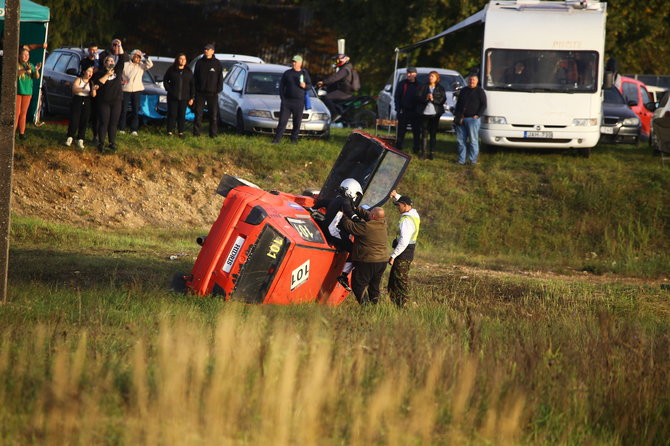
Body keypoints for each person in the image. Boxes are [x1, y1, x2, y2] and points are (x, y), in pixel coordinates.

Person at [314, 178, 363, 292]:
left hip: (328, 231)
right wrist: (358, 221)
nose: (355, 196)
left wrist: (312, 209)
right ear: (350, 190)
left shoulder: (335, 199)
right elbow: (349, 212)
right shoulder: (345, 202)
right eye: (356, 193)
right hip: (334, 233)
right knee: (355, 249)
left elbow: (321, 203)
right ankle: (344, 275)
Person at [339, 207, 388, 305]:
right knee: (374, 286)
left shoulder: (366, 227)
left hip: (368, 261)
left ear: (373, 216)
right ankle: (374, 306)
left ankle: (365, 306)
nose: (368, 214)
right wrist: (354, 208)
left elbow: (350, 226)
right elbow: (367, 215)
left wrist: (343, 214)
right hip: (382, 261)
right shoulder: (383, 224)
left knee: (358, 285)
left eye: (370, 214)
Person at [387, 190, 420, 307]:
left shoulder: (406, 221)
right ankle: (397, 305)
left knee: (400, 283)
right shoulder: (414, 214)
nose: (397, 207)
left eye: (399, 205)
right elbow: (405, 200)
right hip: (407, 254)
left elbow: (404, 241)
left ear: (405, 206)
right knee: (394, 282)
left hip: (402, 255)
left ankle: (403, 306)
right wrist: (396, 196)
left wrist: (393, 255)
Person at [272, 55, 311, 144]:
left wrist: (305, 86)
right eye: (293, 61)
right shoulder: (287, 73)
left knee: (297, 122)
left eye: (295, 62)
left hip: (299, 102)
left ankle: (294, 140)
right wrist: (283, 98)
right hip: (287, 102)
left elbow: (309, 86)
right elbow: (281, 86)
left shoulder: (304, 73)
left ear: (300, 63)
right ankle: (276, 139)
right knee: (282, 121)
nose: (293, 63)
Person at [94, 46, 126, 153]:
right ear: (104, 63)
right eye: (108, 61)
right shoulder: (100, 73)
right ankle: (101, 143)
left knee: (114, 122)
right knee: (104, 122)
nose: (110, 62)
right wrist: (107, 74)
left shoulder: (117, 70)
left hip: (116, 100)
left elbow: (122, 58)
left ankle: (112, 142)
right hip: (104, 101)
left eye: (112, 61)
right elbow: (98, 83)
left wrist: (119, 45)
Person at [453, 74, 486, 165]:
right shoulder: (463, 90)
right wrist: (456, 115)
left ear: (477, 81)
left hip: (473, 120)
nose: (472, 81)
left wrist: (478, 115)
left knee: (473, 140)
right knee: (460, 140)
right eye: (470, 80)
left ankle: (472, 160)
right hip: (461, 119)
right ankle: (461, 160)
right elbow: (459, 103)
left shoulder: (480, 91)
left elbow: (484, 105)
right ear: (468, 81)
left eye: (474, 80)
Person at [193, 43, 223, 138]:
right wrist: (196, 90)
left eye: (208, 49)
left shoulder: (217, 63)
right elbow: (195, 77)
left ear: (213, 51)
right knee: (198, 114)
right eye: (205, 49)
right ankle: (196, 134)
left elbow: (220, 78)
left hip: (212, 93)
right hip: (200, 93)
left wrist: (217, 90)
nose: (206, 51)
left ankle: (213, 135)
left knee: (213, 115)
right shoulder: (199, 62)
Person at [120, 49, 153, 135]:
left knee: (135, 110)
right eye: (136, 57)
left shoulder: (141, 65)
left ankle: (134, 129)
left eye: (139, 57)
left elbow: (150, 64)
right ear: (132, 56)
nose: (137, 59)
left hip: (137, 90)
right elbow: (119, 74)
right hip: (126, 89)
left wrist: (144, 57)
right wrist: (121, 81)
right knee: (123, 110)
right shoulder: (125, 65)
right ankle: (121, 128)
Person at [417, 70, 446, 160]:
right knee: (424, 133)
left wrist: (433, 99)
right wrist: (426, 98)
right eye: (429, 76)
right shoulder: (423, 86)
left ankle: (432, 153)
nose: (430, 78)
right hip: (424, 113)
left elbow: (442, 100)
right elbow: (417, 97)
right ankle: (423, 153)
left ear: (437, 78)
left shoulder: (440, 88)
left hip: (435, 114)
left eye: (432, 76)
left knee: (433, 133)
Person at [163, 53, 194, 137]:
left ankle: (181, 132)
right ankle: (169, 131)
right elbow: (165, 81)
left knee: (182, 115)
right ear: (177, 60)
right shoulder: (171, 70)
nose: (183, 61)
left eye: (184, 59)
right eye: (181, 59)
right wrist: (169, 90)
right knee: (172, 114)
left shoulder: (188, 71)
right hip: (172, 97)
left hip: (184, 97)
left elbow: (192, 85)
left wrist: (191, 97)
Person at [65, 66, 96, 149]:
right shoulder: (79, 80)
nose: (90, 73)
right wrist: (82, 88)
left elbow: (93, 95)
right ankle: (70, 137)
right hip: (78, 99)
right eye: (88, 71)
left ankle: (81, 138)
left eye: (91, 72)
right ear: (84, 72)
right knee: (74, 119)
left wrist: (93, 89)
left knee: (84, 120)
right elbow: (74, 89)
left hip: (87, 100)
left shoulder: (91, 82)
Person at [316, 54, 355, 119]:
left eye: (337, 61)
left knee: (325, 98)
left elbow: (335, 78)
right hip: (344, 91)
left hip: (344, 92)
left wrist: (324, 82)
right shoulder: (347, 68)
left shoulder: (345, 69)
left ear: (342, 61)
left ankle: (334, 114)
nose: (336, 62)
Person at [15, 47, 41, 140]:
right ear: (19, 55)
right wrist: (25, 69)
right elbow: (15, 74)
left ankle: (21, 133)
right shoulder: (16, 64)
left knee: (23, 113)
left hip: (28, 92)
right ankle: (12, 133)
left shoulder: (31, 65)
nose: (26, 57)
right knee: (16, 113)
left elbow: (36, 77)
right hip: (17, 92)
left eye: (28, 55)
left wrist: (37, 70)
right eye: (24, 55)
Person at [394, 66, 422, 153]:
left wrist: (419, 110)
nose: (409, 74)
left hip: (416, 112)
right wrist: (398, 109)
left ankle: (416, 148)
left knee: (416, 131)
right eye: (408, 73)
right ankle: (398, 147)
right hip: (404, 110)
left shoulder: (420, 85)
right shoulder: (402, 83)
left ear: (415, 74)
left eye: (411, 73)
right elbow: (397, 97)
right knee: (401, 131)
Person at [80, 44, 101, 143]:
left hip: (96, 90)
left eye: (96, 50)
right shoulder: (84, 61)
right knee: (84, 113)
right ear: (88, 50)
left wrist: (98, 61)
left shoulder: (100, 61)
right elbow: (86, 72)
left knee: (96, 115)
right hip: (86, 89)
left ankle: (95, 136)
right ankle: (80, 135)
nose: (94, 52)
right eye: (92, 50)